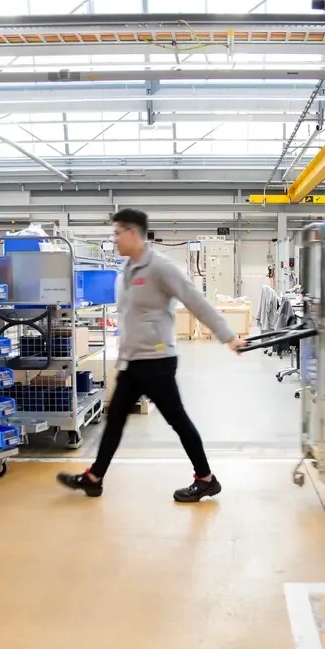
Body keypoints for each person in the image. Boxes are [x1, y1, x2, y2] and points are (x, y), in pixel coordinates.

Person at [57, 208, 247, 502]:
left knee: (177, 420)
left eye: (117, 233)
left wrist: (228, 336)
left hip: (157, 362)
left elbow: (195, 301)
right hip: (134, 362)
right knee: (116, 419)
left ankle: (206, 478)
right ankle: (95, 477)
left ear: (134, 233)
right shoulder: (128, 271)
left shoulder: (160, 267)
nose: (115, 239)